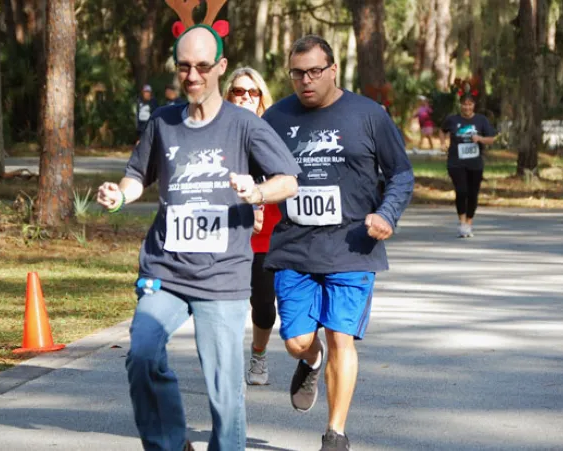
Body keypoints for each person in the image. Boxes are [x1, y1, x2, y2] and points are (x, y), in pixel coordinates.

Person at [97, 25, 300, 451]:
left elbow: (289, 181)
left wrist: (258, 191)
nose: (193, 76)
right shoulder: (163, 121)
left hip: (222, 276)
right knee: (143, 356)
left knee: (225, 394)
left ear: (220, 68)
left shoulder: (244, 125)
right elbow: (138, 176)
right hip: (165, 270)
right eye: (184, 66)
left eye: (203, 66)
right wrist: (119, 195)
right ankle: (170, 443)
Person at [262, 35, 414, 451]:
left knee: (339, 337)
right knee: (296, 343)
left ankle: (336, 433)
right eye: (298, 73)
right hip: (295, 247)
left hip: (352, 246)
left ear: (333, 70)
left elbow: (401, 173)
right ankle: (309, 362)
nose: (306, 80)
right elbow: (258, 174)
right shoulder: (275, 118)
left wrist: (386, 214)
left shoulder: (368, 115)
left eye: (314, 71)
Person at [223, 67, 279, 385]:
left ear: (261, 98)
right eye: (239, 91)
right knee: (226, 302)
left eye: (252, 92)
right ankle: (227, 363)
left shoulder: (272, 133)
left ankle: (258, 355)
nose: (245, 96)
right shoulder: (216, 132)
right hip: (228, 233)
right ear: (228, 95)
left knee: (263, 305)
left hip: (265, 235)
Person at [440, 92, 497, 238]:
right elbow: (442, 130)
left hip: (475, 163)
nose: (467, 107)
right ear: (460, 105)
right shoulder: (452, 119)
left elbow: (491, 139)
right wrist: (442, 143)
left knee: (473, 193)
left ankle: (469, 223)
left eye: (470, 104)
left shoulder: (481, 120)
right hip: (456, 162)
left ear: (474, 105)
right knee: (461, 191)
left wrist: (480, 139)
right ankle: (462, 222)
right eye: (464, 104)